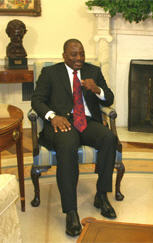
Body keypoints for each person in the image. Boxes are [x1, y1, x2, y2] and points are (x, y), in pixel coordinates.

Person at [31, 39, 117, 237]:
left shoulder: (93, 71)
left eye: (82, 54)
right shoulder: (51, 73)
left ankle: (101, 196)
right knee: (68, 145)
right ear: (64, 56)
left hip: (86, 122)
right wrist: (52, 117)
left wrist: (97, 90)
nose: (79, 59)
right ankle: (71, 211)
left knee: (108, 139)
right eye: (74, 55)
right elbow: (37, 100)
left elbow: (109, 98)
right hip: (62, 122)